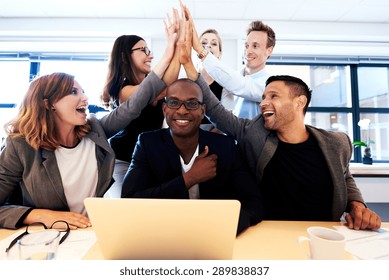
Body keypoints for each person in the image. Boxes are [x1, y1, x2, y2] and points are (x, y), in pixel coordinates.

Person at [176, 7, 381, 231]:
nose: (264, 102)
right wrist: (188, 63)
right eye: (263, 97)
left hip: (325, 234)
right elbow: (217, 111)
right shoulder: (254, 134)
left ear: (299, 103)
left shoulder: (336, 142)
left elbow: (344, 175)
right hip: (270, 231)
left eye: (273, 96)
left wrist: (357, 204)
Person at [0, 21, 178, 230]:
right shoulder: (21, 146)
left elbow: (132, 107)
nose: (84, 97)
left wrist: (173, 48)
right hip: (42, 239)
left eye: (83, 91)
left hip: (89, 234)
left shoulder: (95, 130)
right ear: (48, 104)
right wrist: (40, 215)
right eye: (73, 92)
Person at [121, 78, 264, 235]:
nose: (182, 110)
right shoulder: (148, 144)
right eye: (174, 103)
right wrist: (189, 178)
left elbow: (253, 203)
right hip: (163, 234)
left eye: (192, 103)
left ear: (203, 111)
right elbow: (130, 200)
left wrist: (222, 230)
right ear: (164, 109)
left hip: (214, 236)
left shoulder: (225, 146)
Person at [100, 10, 181, 198]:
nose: (150, 56)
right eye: (143, 50)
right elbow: (152, 89)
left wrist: (178, 44)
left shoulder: (153, 88)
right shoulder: (123, 90)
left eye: (148, 50)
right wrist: (171, 47)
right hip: (123, 160)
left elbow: (167, 85)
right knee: (125, 207)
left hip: (149, 159)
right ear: (124, 57)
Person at [191, 12, 276, 119]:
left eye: (255, 46)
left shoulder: (269, 85)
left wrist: (200, 50)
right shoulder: (232, 80)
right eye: (246, 46)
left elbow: (241, 85)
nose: (248, 51)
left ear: (269, 50)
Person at [197, 28, 233, 132]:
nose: (208, 46)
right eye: (204, 43)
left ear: (219, 53)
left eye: (214, 44)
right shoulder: (189, 82)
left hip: (216, 137)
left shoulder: (226, 84)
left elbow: (227, 120)